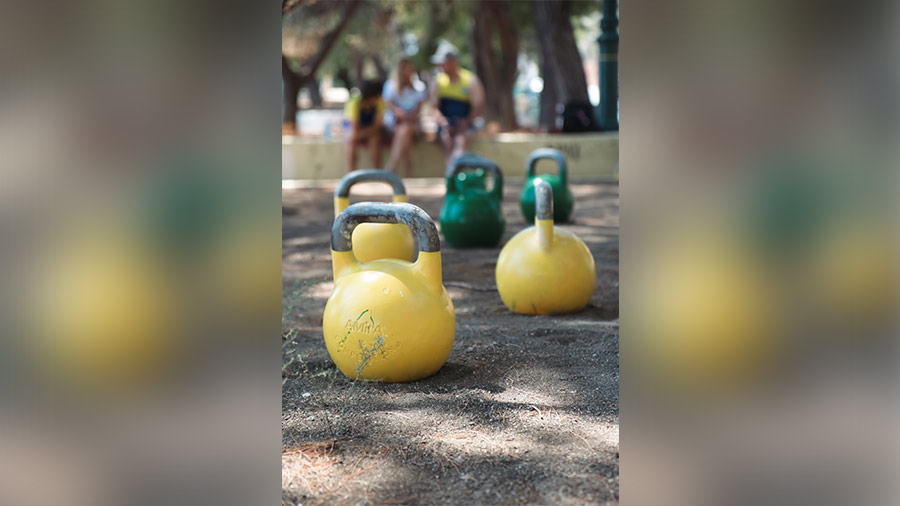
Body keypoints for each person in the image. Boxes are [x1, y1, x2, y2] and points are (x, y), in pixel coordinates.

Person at [430, 52, 485, 165]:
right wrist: (443, 122)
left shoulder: (470, 80)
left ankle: (455, 171)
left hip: (466, 123)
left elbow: (478, 107)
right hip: (446, 125)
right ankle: (451, 173)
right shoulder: (438, 81)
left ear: (453, 62)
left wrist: (466, 122)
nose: (440, 66)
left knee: (460, 142)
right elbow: (434, 109)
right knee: (447, 140)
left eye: (443, 63)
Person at [383, 57, 427, 177]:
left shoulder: (419, 87)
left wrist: (406, 115)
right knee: (404, 135)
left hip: (412, 125)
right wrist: (400, 114)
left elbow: (417, 111)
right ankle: (408, 174)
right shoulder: (391, 86)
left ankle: (391, 167)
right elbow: (390, 106)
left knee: (404, 130)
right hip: (395, 125)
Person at [344, 80, 386, 172]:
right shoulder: (355, 103)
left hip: (366, 131)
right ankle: (351, 173)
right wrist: (366, 132)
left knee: (374, 139)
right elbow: (354, 129)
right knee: (351, 141)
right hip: (357, 130)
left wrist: (363, 133)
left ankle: (376, 172)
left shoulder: (379, 101)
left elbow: (378, 127)